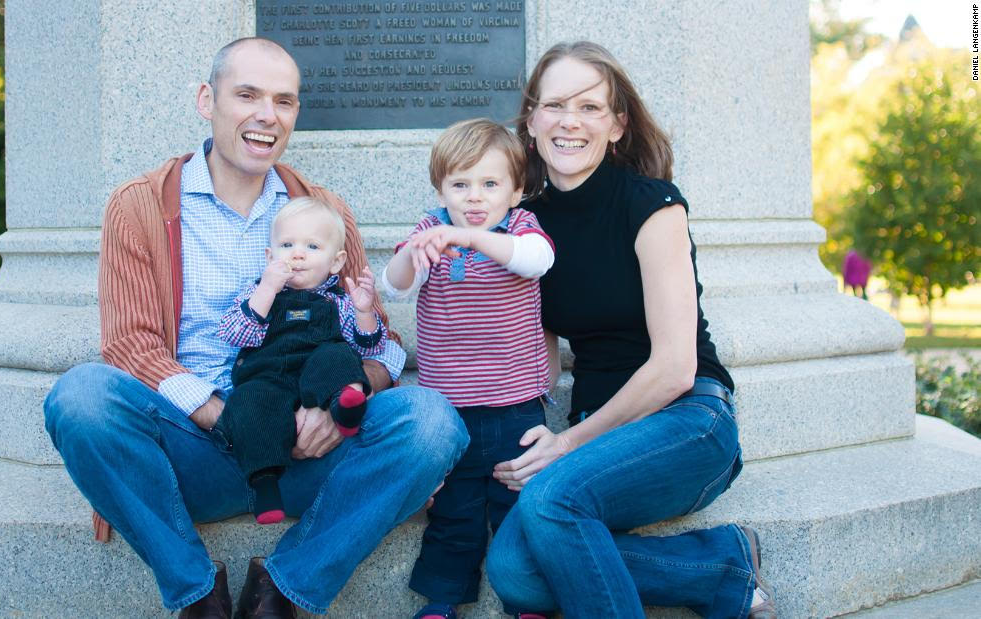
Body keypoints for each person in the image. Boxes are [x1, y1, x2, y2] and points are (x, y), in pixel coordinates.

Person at [42, 38, 467, 619]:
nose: (268, 115)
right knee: (81, 397)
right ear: (206, 99)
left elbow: (382, 345)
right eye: (247, 95)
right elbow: (129, 346)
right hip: (193, 449)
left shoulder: (322, 209)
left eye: (284, 101)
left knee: (432, 423)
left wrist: (339, 404)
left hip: (308, 449)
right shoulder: (140, 205)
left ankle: (285, 587)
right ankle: (195, 593)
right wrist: (233, 420)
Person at [481, 41, 778, 618]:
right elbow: (535, 357)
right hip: (601, 431)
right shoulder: (525, 227)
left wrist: (566, 445)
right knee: (514, 569)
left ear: (617, 126)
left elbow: (674, 368)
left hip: (688, 420)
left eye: (591, 108)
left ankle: (716, 567)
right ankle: (720, 564)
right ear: (532, 119)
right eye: (555, 105)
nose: (570, 121)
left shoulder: (653, 205)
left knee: (550, 505)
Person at [381, 119, 555, 619]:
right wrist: (415, 255)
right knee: (453, 510)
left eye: (490, 184)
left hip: (516, 404)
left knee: (515, 505)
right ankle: (442, 600)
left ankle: (529, 600)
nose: (474, 197)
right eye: (460, 185)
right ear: (441, 190)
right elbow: (394, 289)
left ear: (516, 190)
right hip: (449, 406)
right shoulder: (429, 230)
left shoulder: (520, 229)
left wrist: (472, 239)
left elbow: (537, 261)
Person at [216, 197, 386, 525]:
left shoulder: (338, 302)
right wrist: (266, 290)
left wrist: (364, 312)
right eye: (287, 244)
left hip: (318, 376)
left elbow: (369, 349)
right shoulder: (256, 293)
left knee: (339, 355)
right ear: (269, 256)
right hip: (268, 377)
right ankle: (264, 485)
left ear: (336, 263)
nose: (297, 253)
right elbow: (234, 334)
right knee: (248, 402)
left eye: (312, 246)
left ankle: (347, 405)